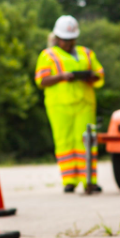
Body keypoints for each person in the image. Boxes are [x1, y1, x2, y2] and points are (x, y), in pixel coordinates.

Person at [35, 15, 105, 193]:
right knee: (64, 142)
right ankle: (69, 180)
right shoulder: (48, 55)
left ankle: (89, 179)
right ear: (57, 38)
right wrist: (61, 77)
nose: (68, 43)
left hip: (85, 103)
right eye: (65, 40)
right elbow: (41, 80)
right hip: (59, 106)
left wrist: (90, 76)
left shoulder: (86, 53)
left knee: (87, 141)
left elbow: (100, 73)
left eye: (71, 39)